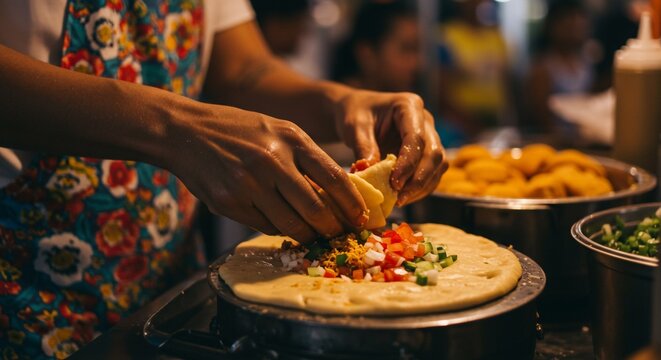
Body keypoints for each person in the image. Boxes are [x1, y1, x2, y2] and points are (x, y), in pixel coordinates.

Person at [0, 0, 446, 357]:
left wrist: (344, 101)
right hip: (27, 292)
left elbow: (245, 71)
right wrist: (176, 127)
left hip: (166, 286)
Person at [436, 0, 513, 139]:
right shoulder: (446, 36)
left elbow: (506, 83)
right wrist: (467, 124)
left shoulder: (496, 36)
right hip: (461, 123)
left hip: (495, 119)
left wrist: (508, 119)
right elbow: (441, 89)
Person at [524, 0, 594, 144]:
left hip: (585, 139)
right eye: (569, 24)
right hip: (554, 142)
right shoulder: (543, 67)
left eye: (579, 24)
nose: (575, 29)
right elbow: (540, 116)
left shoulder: (586, 63)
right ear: (553, 26)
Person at [331, 1, 422, 93]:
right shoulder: (339, 103)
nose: (417, 63)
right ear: (367, 54)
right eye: (406, 49)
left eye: (417, 50)